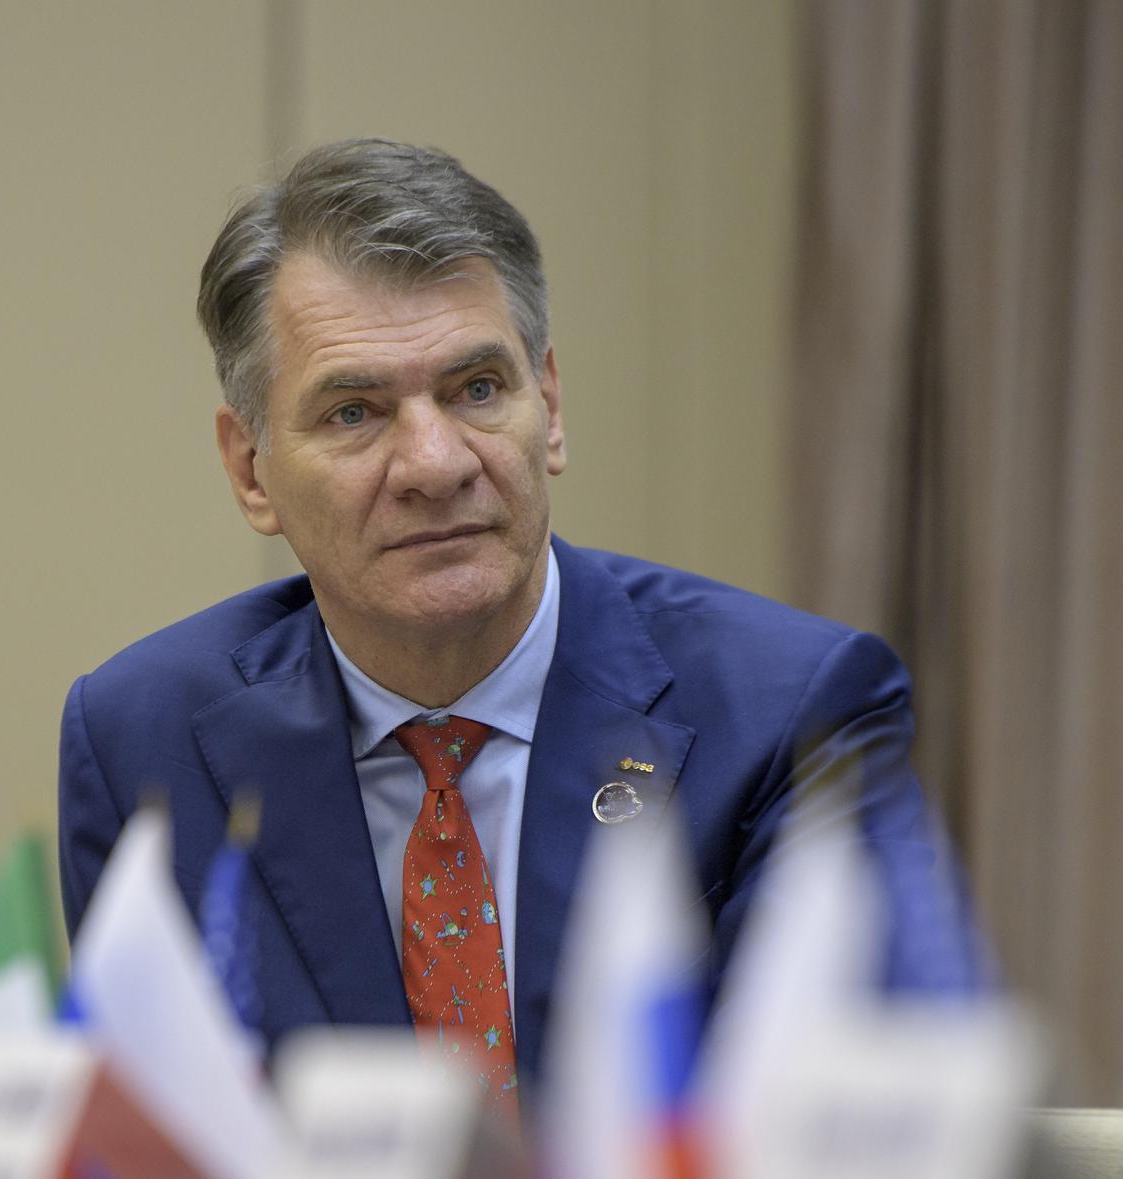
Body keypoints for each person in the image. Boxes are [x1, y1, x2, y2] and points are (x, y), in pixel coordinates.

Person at [59, 138, 981, 1099]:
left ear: (549, 405)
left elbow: (857, 1129)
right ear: (251, 469)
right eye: (354, 413)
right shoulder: (144, 738)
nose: (436, 463)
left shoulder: (793, 712)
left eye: (477, 390)